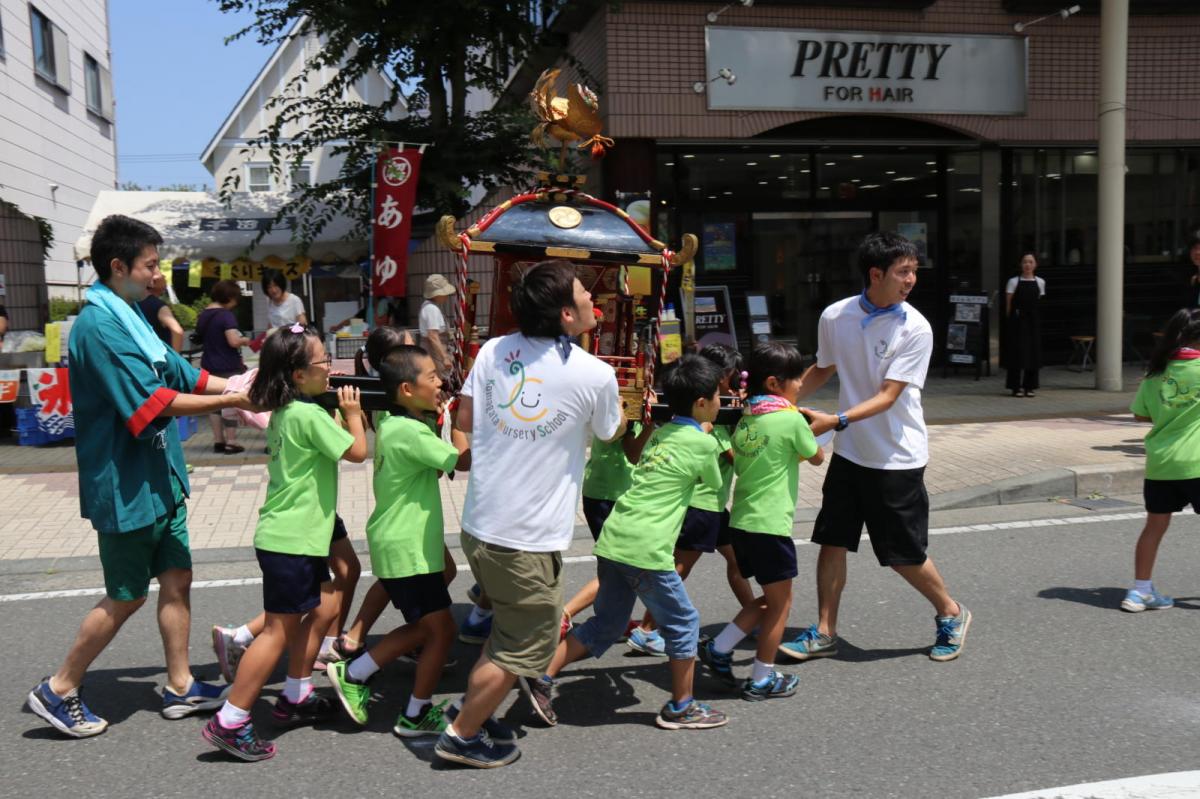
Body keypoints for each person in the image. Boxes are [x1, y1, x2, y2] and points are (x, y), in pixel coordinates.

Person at [25, 214, 254, 738]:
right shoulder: (98, 327)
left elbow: (179, 371)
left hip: (158, 475)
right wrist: (238, 399)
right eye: (150, 265)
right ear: (117, 265)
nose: (157, 275)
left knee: (177, 578)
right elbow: (154, 403)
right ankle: (58, 688)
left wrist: (237, 383)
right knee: (127, 594)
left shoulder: (127, 313)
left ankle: (180, 685)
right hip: (124, 483)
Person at [437, 259, 626, 769]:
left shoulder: (493, 350)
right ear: (566, 313)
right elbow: (610, 431)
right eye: (584, 292)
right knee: (523, 644)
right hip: (525, 536)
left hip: (482, 521)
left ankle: (471, 708)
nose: (592, 299)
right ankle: (461, 734)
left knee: (509, 630)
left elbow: (466, 417)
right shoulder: (596, 374)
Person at [520, 355, 729, 731]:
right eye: (717, 396)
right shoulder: (703, 443)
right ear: (701, 403)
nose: (721, 401)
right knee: (684, 622)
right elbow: (713, 483)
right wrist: (708, 436)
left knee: (609, 623)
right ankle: (682, 706)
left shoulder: (662, 432)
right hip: (646, 548)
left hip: (616, 536)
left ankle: (542, 675)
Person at [791, 231, 972, 664]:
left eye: (913, 271)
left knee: (901, 555)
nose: (911, 280)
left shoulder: (916, 327)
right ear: (876, 274)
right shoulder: (836, 316)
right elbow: (823, 367)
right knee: (832, 540)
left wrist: (836, 420)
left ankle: (950, 612)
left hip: (896, 456)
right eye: (903, 271)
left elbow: (889, 396)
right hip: (850, 452)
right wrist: (781, 399)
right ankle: (825, 631)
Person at [203, 325, 367, 762]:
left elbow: (329, 444)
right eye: (323, 361)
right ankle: (230, 720)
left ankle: (296, 693)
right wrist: (352, 411)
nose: (329, 367)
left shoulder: (290, 410)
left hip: (297, 537)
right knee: (277, 632)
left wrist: (333, 405)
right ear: (298, 374)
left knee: (324, 608)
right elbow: (356, 452)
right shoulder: (307, 416)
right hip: (292, 540)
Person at [326, 345, 471, 736]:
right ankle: (361, 678)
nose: (440, 383)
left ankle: (398, 699)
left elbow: (435, 469)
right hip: (408, 547)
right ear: (407, 389)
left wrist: (439, 419)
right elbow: (463, 460)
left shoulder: (396, 424)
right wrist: (461, 423)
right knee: (439, 630)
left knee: (431, 629)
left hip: (404, 543)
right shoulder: (409, 431)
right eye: (432, 377)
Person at [698, 342, 823, 699]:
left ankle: (720, 647)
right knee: (781, 605)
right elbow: (816, 457)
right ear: (773, 383)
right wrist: (815, 427)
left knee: (769, 598)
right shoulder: (791, 419)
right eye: (796, 378)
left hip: (741, 523)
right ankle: (761, 678)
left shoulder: (745, 418)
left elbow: (746, 461)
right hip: (770, 525)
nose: (801, 383)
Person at [631, 344, 756, 656]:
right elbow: (734, 458)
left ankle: (754, 617)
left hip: (714, 505)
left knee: (736, 560)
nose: (734, 384)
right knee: (679, 568)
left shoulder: (719, 410)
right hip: (702, 504)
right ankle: (646, 630)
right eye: (730, 377)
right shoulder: (709, 418)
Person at [1121, 307, 1200, 612]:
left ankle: (1140, 592)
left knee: (1154, 527)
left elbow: (1140, 415)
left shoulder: (1155, 372)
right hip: (1196, 461)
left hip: (1161, 463)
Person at [560, 415, 654, 642]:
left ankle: (613, 618)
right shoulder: (619, 410)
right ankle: (565, 614)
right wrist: (650, 425)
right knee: (620, 567)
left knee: (614, 567)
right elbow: (632, 453)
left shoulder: (635, 409)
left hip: (616, 495)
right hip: (607, 496)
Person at [196, 280, 251, 453]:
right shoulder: (226, 315)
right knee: (230, 402)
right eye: (235, 298)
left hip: (208, 364)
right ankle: (231, 442)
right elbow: (233, 341)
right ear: (229, 297)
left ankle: (218, 441)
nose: (236, 302)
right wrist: (245, 340)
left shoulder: (203, 315)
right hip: (227, 365)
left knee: (214, 404)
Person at [1005, 252, 1046, 397]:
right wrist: (1010, 320)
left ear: (1035, 265)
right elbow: (1008, 303)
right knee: (1017, 353)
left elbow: (1039, 300)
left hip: (1033, 321)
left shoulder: (1040, 282)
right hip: (1018, 321)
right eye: (1025, 262)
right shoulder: (1013, 281)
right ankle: (1015, 387)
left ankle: (1030, 386)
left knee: (1033, 352)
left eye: (1030, 262)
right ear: (1020, 264)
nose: (1027, 265)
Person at [419, 273, 456, 377]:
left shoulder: (428, 306)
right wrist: (444, 357)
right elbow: (433, 335)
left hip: (433, 351)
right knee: (439, 379)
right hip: (434, 352)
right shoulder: (432, 309)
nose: (446, 296)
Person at [138, 272, 185, 352]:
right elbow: (177, 331)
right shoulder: (159, 306)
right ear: (152, 282)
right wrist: (175, 357)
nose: (165, 278)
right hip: (160, 354)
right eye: (163, 277)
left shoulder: (134, 302)